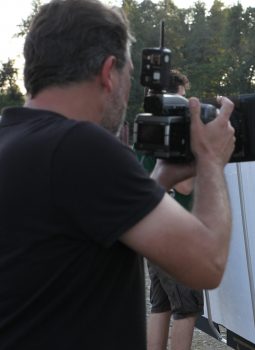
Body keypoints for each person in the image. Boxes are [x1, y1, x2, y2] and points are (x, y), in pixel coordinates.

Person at [0, 0, 236, 348]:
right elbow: (208, 263)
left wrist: (160, 178)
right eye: (128, 75)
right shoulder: (80, 146)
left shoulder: (13, 139)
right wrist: (212, 162)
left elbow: (84, 236)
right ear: (108, 72)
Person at [142, 69, 202, 350]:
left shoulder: (146, 132)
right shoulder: (175, 139)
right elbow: (187, 186)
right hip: (174, 235)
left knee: (161, 304)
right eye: (180, 101)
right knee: (187, 308)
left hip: (152, 231)